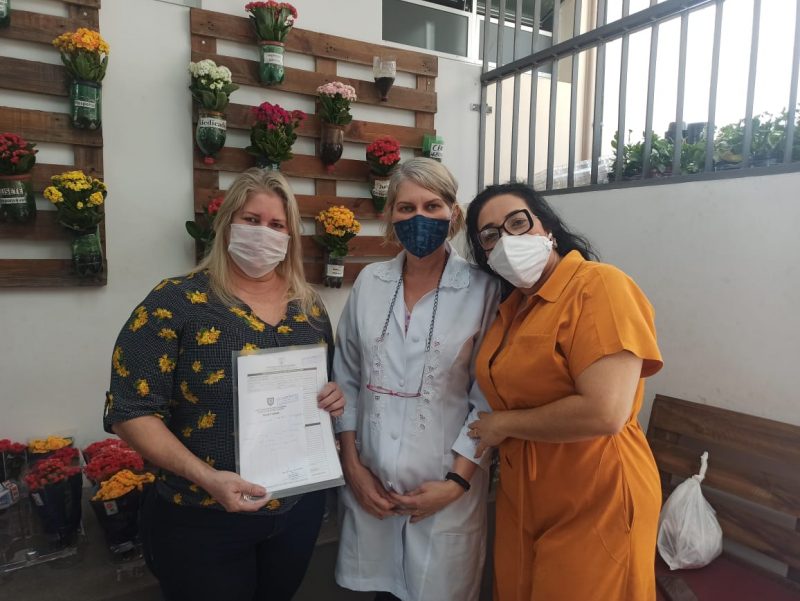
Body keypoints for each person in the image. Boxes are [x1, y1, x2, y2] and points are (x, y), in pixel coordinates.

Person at [103, 168, 345, 601]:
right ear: (227, 223)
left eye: (276, 225)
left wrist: (333, 396)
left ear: (290, 236)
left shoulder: (308, 306)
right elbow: (130, 412)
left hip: (297, 508)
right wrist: (207, 477)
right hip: (202, 517)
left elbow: (325, 387)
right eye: (252, 220)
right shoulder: (175, 301)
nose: (263, 232)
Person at [465, 182, 664, 601]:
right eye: (491, 235)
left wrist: (503, 424)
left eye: (518, 223)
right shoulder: (511, 309)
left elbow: (605, 412)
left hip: (596, 494)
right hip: (523, 496)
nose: (507, 240)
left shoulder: (600, 286)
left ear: (548, 227)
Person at [333, 158, 500, 601]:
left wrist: (455, 484)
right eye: (406, 208)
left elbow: (488, 398)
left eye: (432, 206)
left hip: (446, 491)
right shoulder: (370, 282)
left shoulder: (483, 289)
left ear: (453, 213)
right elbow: (346, 377)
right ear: (390, 215)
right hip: (372, 487)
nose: (418, 217)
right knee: (380, 594)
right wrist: (353, 469)